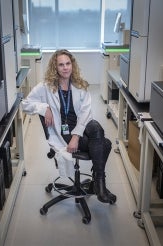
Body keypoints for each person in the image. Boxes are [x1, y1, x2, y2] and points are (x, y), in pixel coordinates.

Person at [21, 49, 116, 203]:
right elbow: (25, 104)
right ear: (55, 67)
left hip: (82, 125)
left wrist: (76, 137)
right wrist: (44, 108)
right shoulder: (45, 86)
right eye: (61, 65)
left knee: (96, 128)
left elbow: (86, 113)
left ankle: (99, 184)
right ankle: (99, 185)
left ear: (72, 65)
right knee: (106, 144)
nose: (65, 68)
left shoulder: (79, 84)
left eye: (68, 63)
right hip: (63, 131)